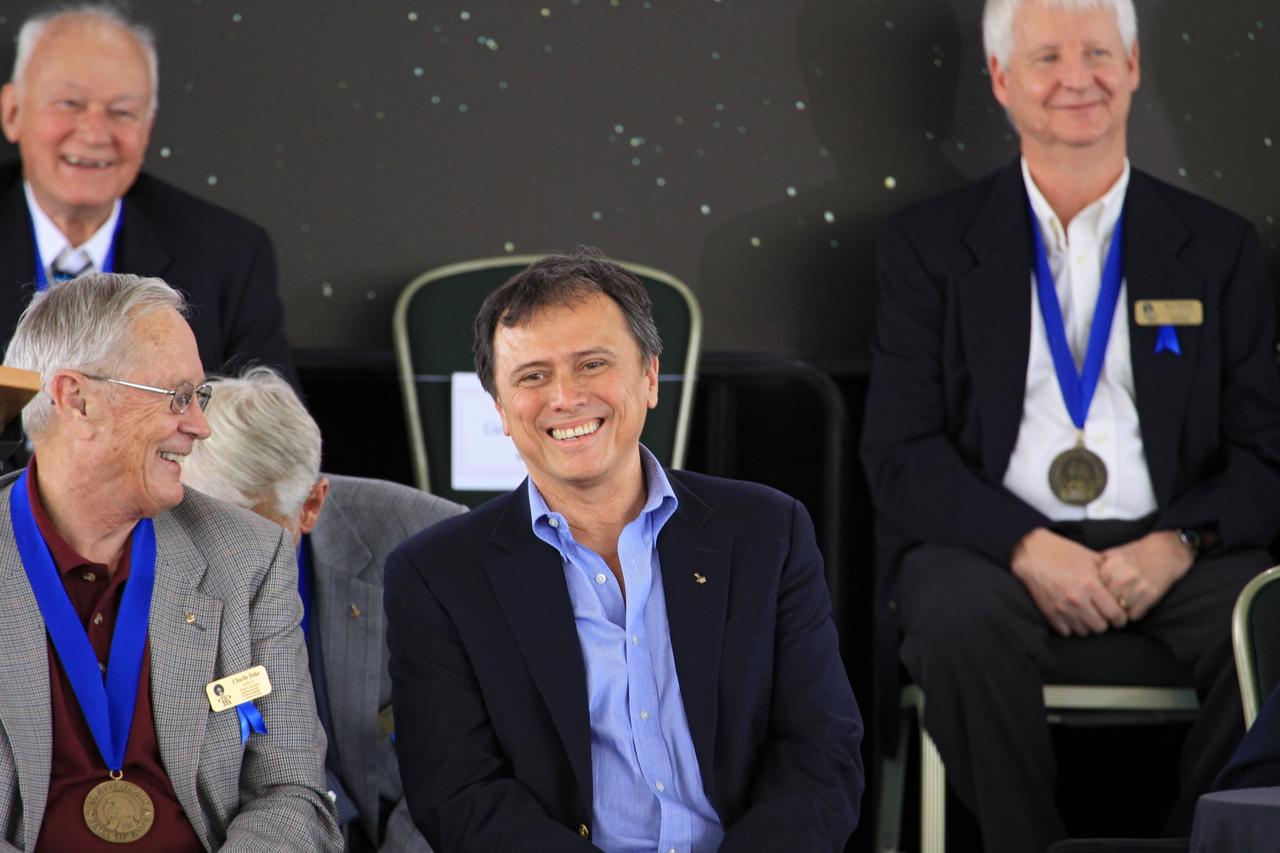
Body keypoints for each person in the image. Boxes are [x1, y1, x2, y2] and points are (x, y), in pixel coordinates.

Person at [860, 0, 1280, 850]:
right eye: (1048, 56)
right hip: (993, 550)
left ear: (1132, 69)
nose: (1077, 77)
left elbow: (1265, 457)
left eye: (1098, 52)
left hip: (1173, 547)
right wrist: (1025, 544)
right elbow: (900, 455)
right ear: (1003, 81)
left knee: (1271, 615)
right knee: (952, 619)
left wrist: (1177, 544)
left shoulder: (1220, 247)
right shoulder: (927, 245)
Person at [385, 248, 863, 852]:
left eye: (592, 364)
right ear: (502, 411)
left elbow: (820, 752)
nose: (564, 396)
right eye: (532, 376)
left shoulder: (769, 531)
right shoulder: (435, 576)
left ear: (650, 378)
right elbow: (458, 794)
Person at [0, 272, 339, 849]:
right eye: (178, 397)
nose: (200, 427)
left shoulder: (249, 556)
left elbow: (292, 789)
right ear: (76, 400)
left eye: (198, 397)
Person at [180, 365, 466, 851]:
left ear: (311, 506)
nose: (217, 556)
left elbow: (465, 764)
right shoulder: (155, 540)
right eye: (199, 525)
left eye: (247, 533)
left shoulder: (432, 547)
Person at [0, 4, 297, 386]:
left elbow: (268, 431)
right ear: (12, 112)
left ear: (148, 127)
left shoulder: (226, 253)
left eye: (122, 112)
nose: (94, 133)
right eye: (69, 104)